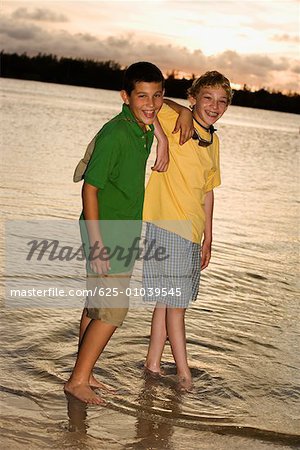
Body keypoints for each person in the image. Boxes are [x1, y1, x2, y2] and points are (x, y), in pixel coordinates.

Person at [65, 62, 191, 404]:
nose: (150, 103)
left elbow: (169, 110)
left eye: (157, 96)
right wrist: (96, 244)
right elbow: (89, 189)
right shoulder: (117, 133)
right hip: (107, 230)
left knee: (96, 307)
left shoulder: (143, 124)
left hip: (122, 226)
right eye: (142, 97)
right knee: (113, 311)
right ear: (125, 97)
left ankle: (84, 372)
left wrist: (163, 136)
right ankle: (77, 381)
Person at [143, 70, 233, 390]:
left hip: (191, 230)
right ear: (193, 98)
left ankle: (153, 365)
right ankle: (184, 375)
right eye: (207, 98)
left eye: (222, 101)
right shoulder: (174, 118)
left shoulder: (214, 141)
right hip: (167, 221)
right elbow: (148, 103)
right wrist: (164, 137)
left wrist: (209, 236)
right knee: (176, 304)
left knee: (166, 302)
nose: (214, 106)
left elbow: (208, 192)